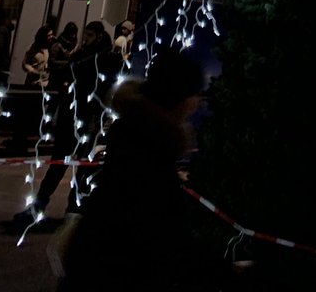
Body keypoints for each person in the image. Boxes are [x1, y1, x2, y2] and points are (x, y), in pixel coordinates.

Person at [56, 48, 227, 291]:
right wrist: (224, 271)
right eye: (195, 95)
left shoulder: (136, 138)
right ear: (178, 97)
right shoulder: (149, 156)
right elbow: (161, 240)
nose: (198, 104)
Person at [12, 21, 119, 226]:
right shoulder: (82, 56)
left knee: (84, 166)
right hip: (73, 115)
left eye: (89, 34)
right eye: (84, 33)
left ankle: (74, 208)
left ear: (97, 36)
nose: (84, 38)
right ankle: (43, 205)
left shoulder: (104, 58)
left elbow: (107, 85)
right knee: (60, 162)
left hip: (90, 118)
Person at [22, 24, 53, 89]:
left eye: (51, 35)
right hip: (33, 82)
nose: (51, 37)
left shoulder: (49, 47)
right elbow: (25, 64)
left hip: (44, 83)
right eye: (49, 35)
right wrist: (34, 71)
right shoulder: (33, 49)